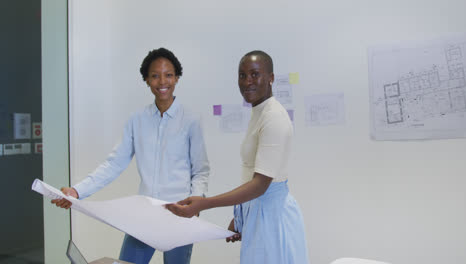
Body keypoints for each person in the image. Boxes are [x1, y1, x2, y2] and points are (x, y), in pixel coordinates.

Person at [51, 47, 210, 264]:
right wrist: (77, 191)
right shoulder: (137, 120)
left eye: (168, 75)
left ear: (177, 78)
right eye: (155, 75)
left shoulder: (191, 120)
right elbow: (113, 164)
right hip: (143, 216)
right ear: (146, 80)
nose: (162, 81)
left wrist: (197, 202)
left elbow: (200, 170)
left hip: (180, 216)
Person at [166, 50, 309, 263]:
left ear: (270, 78)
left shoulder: (274, 118)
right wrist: (242, 217)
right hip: (260, 212)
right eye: (242, 75)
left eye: (255, 74)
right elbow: (253, 173)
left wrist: (203, 204)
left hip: (273, 218)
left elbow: (260, 185)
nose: (247, 81)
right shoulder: (260, 112)